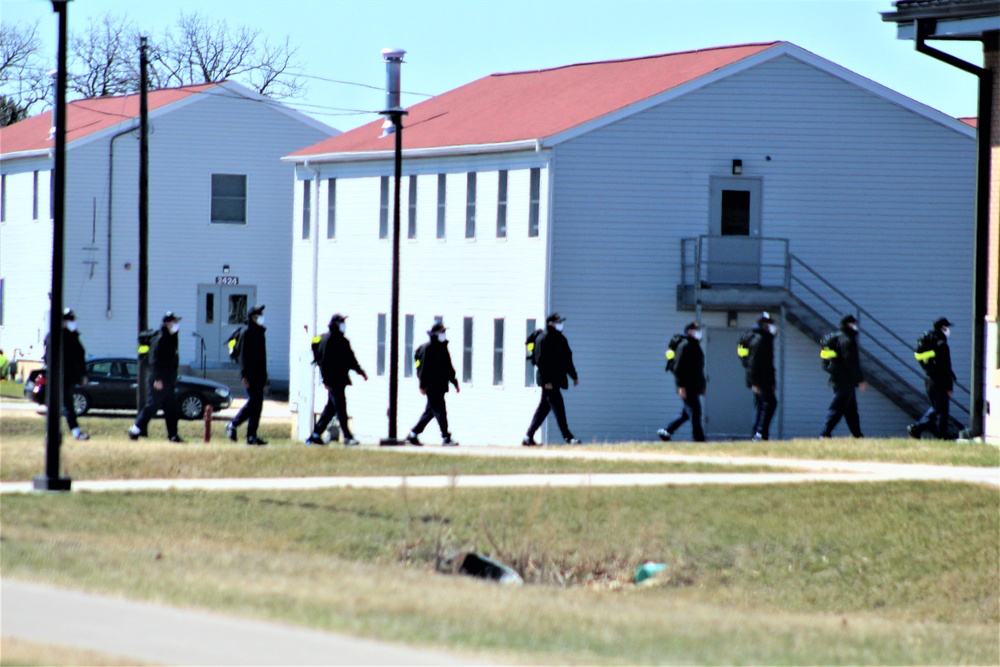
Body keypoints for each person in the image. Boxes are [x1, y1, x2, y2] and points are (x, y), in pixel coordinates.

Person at [306, 313, 368, 446]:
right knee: (341, 409)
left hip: (340, 380)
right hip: (333, 381)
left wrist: (360, 372)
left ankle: (315, 435)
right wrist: (326, 381)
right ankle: (347, 437)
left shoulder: (342, 341)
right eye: (341, 322)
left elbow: (351, 359)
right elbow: (323, 362)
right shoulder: (327, 340)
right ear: (335, 324)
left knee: (331, 409)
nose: (343, 325)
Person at [523, 313, 580, 446]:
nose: (561, 324)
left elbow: (567, 359)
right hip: (548, 382)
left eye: (561, 321)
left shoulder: (560, 339)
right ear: (550, 324)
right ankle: (568, 437)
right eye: (558, 322)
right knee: (558, 407)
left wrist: (574, 376)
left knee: (543, 409)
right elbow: (540, 361)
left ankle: (528, 437)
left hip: (556, 379)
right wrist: (547, 380)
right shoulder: (543, 338)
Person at [129, 311, 183, 443]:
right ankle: (135, 430)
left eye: (177, 321)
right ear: (167, 323)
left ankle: (173, 436)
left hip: (169, 380)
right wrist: (157, 379)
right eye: (174, 322)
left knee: (171, 408)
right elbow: (155, 361)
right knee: (153, 406)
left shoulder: (172, 338)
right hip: (158, 379)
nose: (177, 324)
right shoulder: (160, 339)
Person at [406, 322, 460, 446]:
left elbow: (448, 367)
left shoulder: (443, 348)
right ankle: (446, 438)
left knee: (430, 412)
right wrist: (422, 385)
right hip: (431, 386)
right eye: (441, 332)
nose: (443, 334)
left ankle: (413, 434)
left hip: (440, 386)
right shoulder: (427, 349)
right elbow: (421, 367)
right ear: (435, 334)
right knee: (441, 411)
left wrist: (454, 382)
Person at [44, 308, 90, 440]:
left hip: (64, 376)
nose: (72, 322)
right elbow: (77, 356)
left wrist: (81, 374)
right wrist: (81, 374)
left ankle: (55, 433)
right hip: (61, 376)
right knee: (65, 405)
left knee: (63, 404)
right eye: (69, 319)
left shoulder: (66, 335)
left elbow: (80, 356)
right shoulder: (61, 336)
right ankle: (70, 433)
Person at [227, 304, 269, 446]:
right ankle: (233, 424)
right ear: (253, 317)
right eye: (259, 315)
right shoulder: (247, 332)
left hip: (259, 375)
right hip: (249, 375)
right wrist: (244, 376)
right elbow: (244, 356)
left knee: (257, 406)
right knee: (253, 403)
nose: (261, 317)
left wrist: (265, 375)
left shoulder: (260, 332)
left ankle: (251, 436)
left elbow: (262, 357)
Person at [909, 317, 956, 440]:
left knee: (937, 408)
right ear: (943, 328)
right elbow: (946, 368)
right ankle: (939, 435)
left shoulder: (930, 341)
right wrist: (949, 387)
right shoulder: (942, 345)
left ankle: (918, 429)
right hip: (940, 382)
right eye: (948, 328)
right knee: (942, 411)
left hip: (929, 380)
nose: (949, 331)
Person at [819, 314, 866, 438]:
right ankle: (824, 433)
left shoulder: (837, 338)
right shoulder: (848, 340)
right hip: (845, 379)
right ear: (849, 324)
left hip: (839, 378)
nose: (856, 326)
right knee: (837, 408)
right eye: (854, 324)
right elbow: (851, 362)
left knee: (851, 410)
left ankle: (857, 435)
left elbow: (826, 359)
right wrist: (860, 379)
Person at [658, 321, 706, 442]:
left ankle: (667, 431)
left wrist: (702, 387)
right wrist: (681, 386)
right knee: (695, 411)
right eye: (696, 330)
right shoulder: (684, 345)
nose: (699, 333)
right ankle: (698, 438)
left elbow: (698, 369)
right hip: (686, 385)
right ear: (689, 331)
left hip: (694, 386)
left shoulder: (694, 345)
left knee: (687, 413)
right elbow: (678, 368)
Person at [744, 313, 778, 442]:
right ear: (763, 325)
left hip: (765, 379)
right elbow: (754, 362)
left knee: (760, 405)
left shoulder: (765, 339)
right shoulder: (760, 339)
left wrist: (773, 381)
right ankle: (760, 433)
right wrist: (755, 383)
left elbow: (769, 363)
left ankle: (758, 435)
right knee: (770, 403)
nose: (772, 327)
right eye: (768, 324)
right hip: (760, 379)